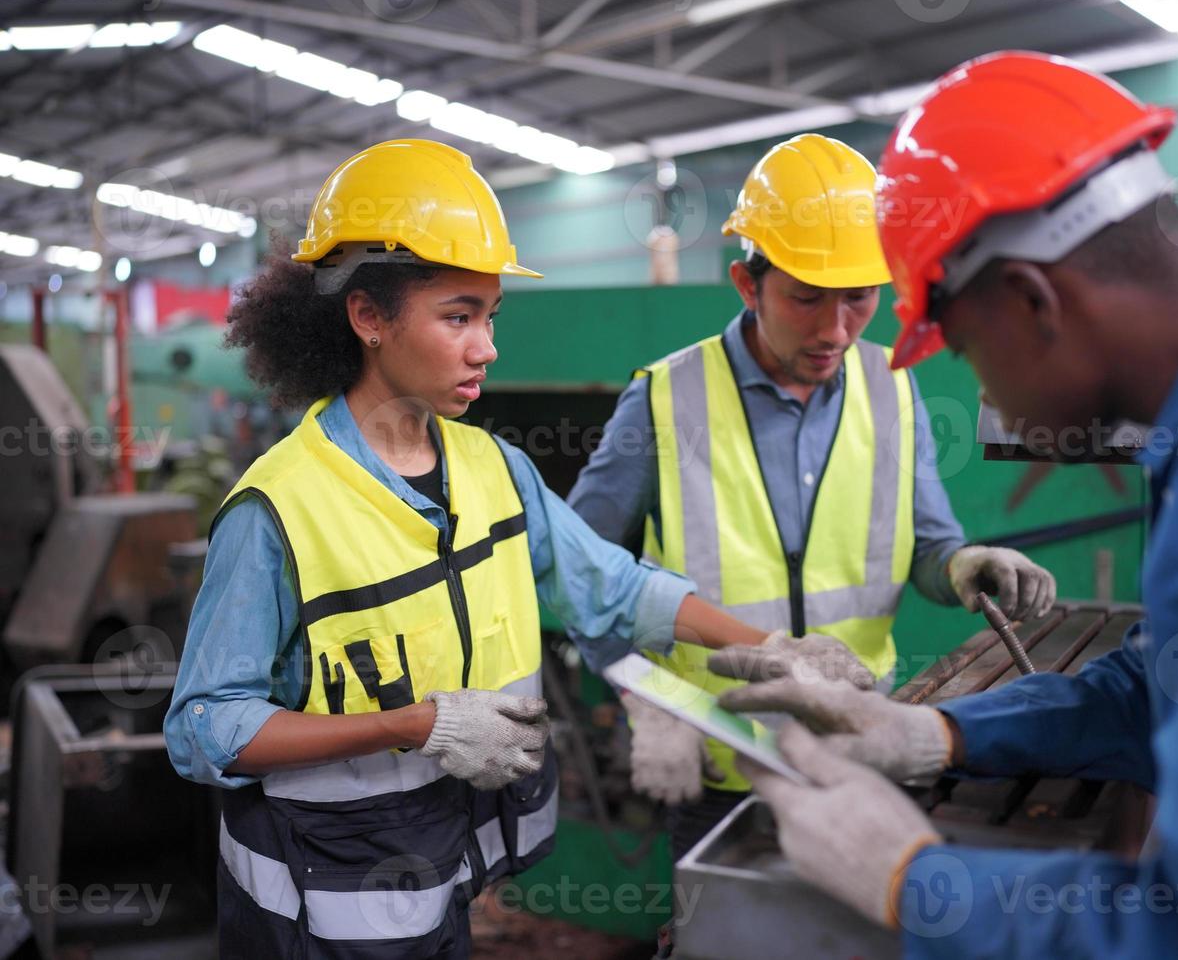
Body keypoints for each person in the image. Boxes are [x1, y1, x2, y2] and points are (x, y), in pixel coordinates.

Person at [715, 52, 1178, 957]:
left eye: (958, 342)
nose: (978, 379)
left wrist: (917, 881)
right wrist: (941, 731)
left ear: (1034, 302)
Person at [162, 138, 811, 958]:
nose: (487, 348)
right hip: (313, 912)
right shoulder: (276, 509)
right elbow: (206, 729)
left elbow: (611, 586)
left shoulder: (492, 467)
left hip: (443, 878)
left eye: (490, 316)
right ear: (368, 316)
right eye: (457, 316)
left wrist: (779, 652)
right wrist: (414, 724)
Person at [567, 132, 1056, 859]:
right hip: (717, 763)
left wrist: (963, 567)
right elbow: (582, 574)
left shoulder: (892, 385)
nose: (834, 330)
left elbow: (927, 544)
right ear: (746, 283)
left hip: (858, 749)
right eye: (805, 299)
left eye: (859, 299)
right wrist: (647, 701)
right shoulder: (665, 401)